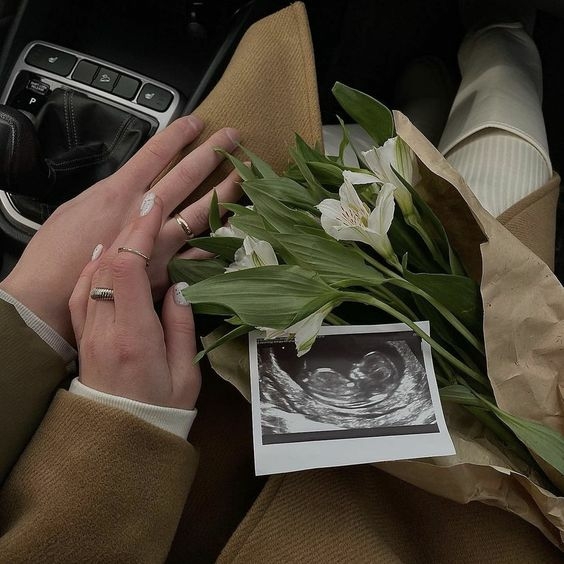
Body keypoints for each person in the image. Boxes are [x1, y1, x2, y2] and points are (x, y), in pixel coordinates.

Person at [0, 2, 561, 563]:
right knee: (490, 216)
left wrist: (27, 317)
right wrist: (125, 423)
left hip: (132, 419)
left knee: (361, 157)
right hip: (325, 508)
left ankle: (437, 88)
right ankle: (498, 36)